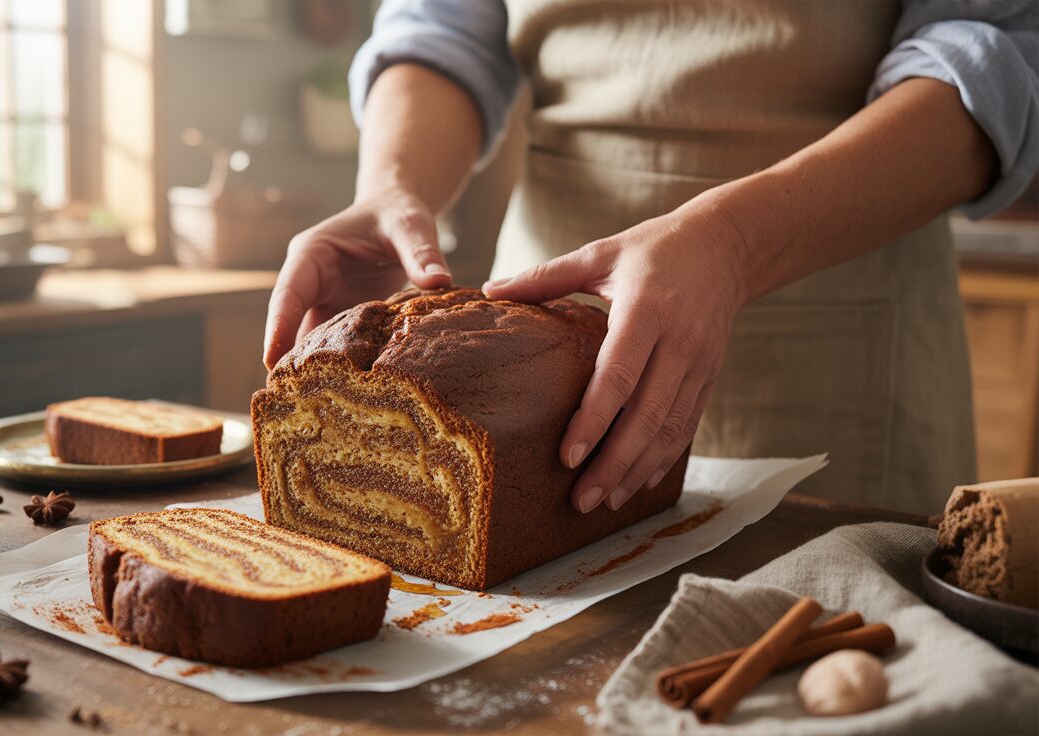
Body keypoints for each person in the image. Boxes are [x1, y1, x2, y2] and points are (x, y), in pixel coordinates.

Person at [263, 1, 1039, 515]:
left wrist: (732, 245)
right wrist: (391, 189)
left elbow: (996, 55)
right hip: (544, 337)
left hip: (846, 326)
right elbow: (441, 31)